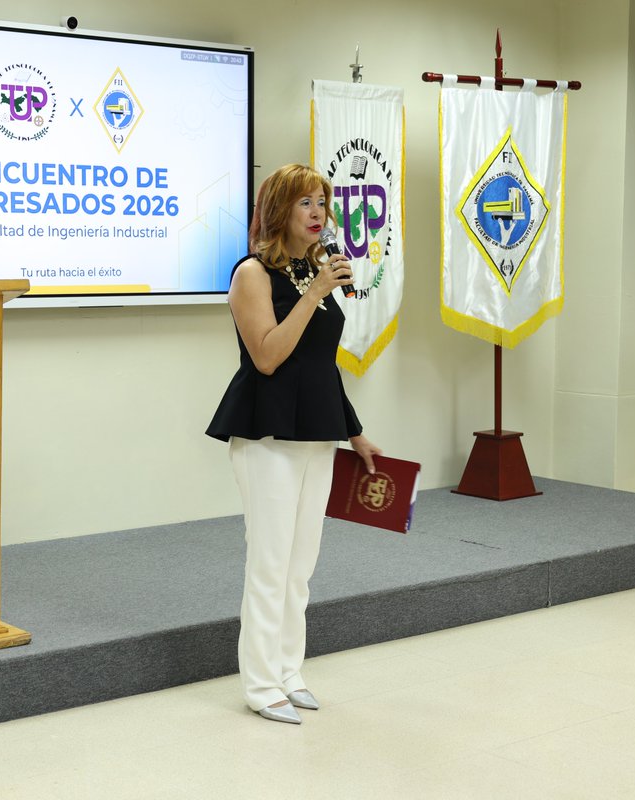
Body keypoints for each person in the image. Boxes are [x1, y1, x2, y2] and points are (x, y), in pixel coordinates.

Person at [206, 163, 381, 725]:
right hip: (267, 433)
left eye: (323, 204)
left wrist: (353, 431)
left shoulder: (314, 271)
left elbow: (321, 367)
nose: (318, 214)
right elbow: (268, 356)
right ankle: (259, 684)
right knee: (271, 560)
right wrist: (316, 295)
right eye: (306, 203)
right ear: (278, 210)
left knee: (301, 563)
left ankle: (288, 670)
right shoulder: (251, 274)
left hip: (317, 430)